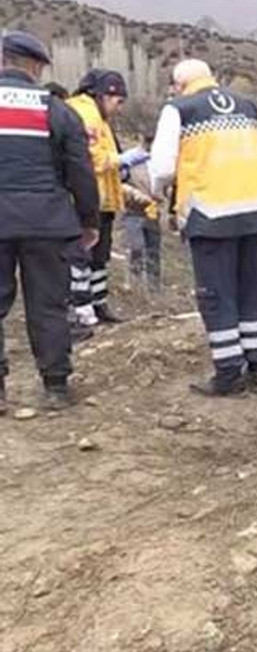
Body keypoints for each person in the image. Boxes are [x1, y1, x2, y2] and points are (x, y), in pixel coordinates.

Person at [148, 59, 257, 397]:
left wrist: (161, 190)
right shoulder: (248, 106)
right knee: (252, 289)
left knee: (216, 293)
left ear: (179, 84)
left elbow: (163, 167)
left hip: (211, 213)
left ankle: (228, 374)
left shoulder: (178, 109)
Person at [0, 31, 100, 413]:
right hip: (47, 222)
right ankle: (55, 386)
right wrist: (88, 220)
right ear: (36, 66)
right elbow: (81, 171)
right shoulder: (57, 110)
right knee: (48, 306)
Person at [66, 69, 129, 326]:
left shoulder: (99, 117)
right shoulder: (85, 114)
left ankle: (98, 302)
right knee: (83, 255)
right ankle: (82, 309)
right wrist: (120, 160)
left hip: (101, 199)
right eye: (118, 101)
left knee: (99, 256)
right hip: (84, 198)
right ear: (103, 94)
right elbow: (92, 159)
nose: (119, 108)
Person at [122, 135, 162, 292]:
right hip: (133, 210)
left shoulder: (159, 159)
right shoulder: (131, 158)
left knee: (154, 251)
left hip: (153, 211)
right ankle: (134, 285)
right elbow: (119, 182)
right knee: (135, 247)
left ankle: (154, 289)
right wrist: (135, 194)